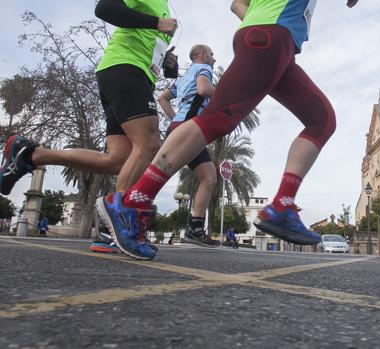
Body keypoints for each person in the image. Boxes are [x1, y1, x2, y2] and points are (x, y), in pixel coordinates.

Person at [97, 0, 359, 260]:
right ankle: (133, 201)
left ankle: (283, 205)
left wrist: (257, 27)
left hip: (274, 41)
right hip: (271, 36)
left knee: (321, 120)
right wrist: (262, 31)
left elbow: (237, 4)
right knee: (218, 119)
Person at [0, 0, 178, 254]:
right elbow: (105, 8)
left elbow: (148, 40)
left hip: (135, 74)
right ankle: (122, 223)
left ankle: (31, 154)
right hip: (125, 69)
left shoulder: (164, 5)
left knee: (118, 159)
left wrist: (168, 63)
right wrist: (156, 23)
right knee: (149, 145)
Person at [158, 44, 220, 247]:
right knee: (158, 173)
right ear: (202, 55)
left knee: (209, 176)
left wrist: (175, 119)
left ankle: (195, 229)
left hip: (181, 126)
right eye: (211, 54)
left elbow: (163, 98)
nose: (213, 58)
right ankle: (123, 210)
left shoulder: (184, 77)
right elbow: (204, 89)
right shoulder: (204, 69)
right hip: (189, 128)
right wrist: (223, 94)